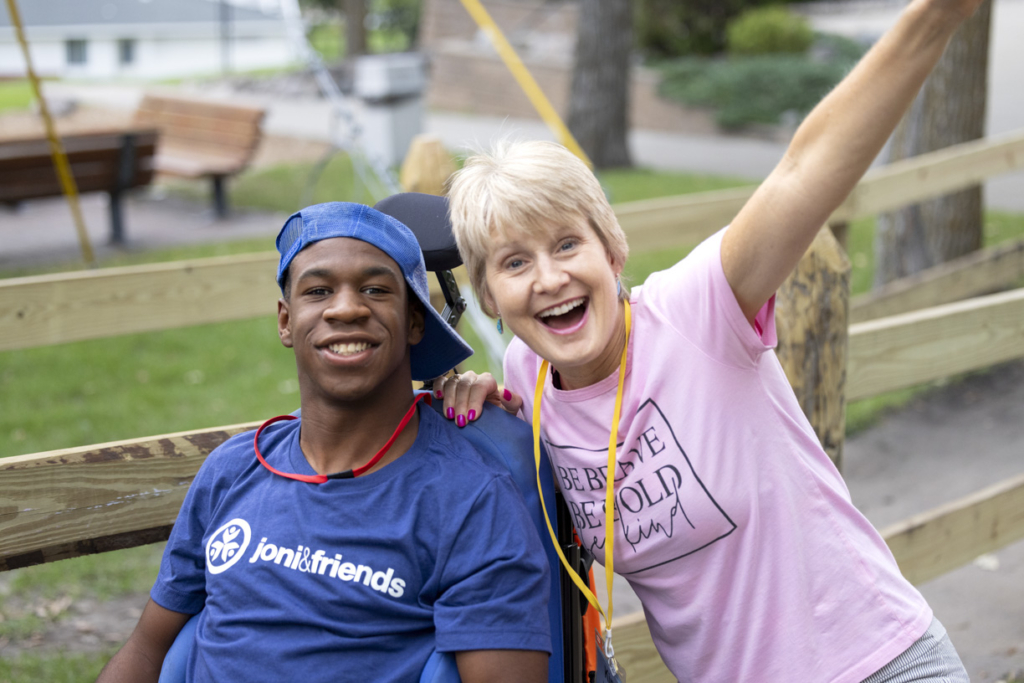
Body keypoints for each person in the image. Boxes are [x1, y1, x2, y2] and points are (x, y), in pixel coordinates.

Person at [434, 0, 983, 680]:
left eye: (567, 243)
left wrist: (935, 18)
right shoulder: (527, 378)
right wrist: (470, 403)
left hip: (875, 661)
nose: (548, 278)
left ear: (612, 251)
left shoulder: (698, 310)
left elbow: (805, 170)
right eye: (514, 263)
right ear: (490, 297)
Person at [97, 202, 552, 683]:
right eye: (318, 291)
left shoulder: (470, 499)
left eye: (375, 289)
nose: (346, 308)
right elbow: (146, 651)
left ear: (415, 322)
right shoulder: (231, 471)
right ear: (285, 321)